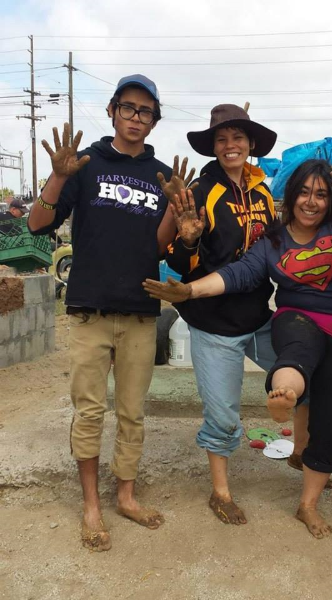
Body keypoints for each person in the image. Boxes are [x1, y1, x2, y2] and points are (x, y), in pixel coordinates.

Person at [143, 159, 332, 538]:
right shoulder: (270, 240)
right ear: (291, 194)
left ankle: (306, 485)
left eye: (320, 194)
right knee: (293, 357)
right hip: (269, 320)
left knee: (330, 419)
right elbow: (237, 273)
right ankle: (274, 408)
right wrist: (188, 290)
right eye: (303, 192)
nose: (311, 202)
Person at [28, 74, 194, 552]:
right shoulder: (85, 165)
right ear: (112, 110)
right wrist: (58, 176)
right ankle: (91, 505)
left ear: (154, 119)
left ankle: (125, 495)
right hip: (88, 310)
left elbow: (158, 243)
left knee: (132, 412)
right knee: (89, 411)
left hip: (141, 310)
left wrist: (180, 224)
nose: (136, 118)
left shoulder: (162, 174)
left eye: (146, 111)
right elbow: (39, 224)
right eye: (128, 108)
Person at [160, 104, 278, 526]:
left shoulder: (262, 191)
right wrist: (189, 241)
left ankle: (305, 453)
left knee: (305, 373)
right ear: (213, 146)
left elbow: (274, 246)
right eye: (222, 139)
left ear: (250, 145)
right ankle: (221, 492)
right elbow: (179, 264)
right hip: (213, 321)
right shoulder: (200, 190)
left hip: (259, 314)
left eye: (238, 138)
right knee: (224, 414)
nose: (231, 145)